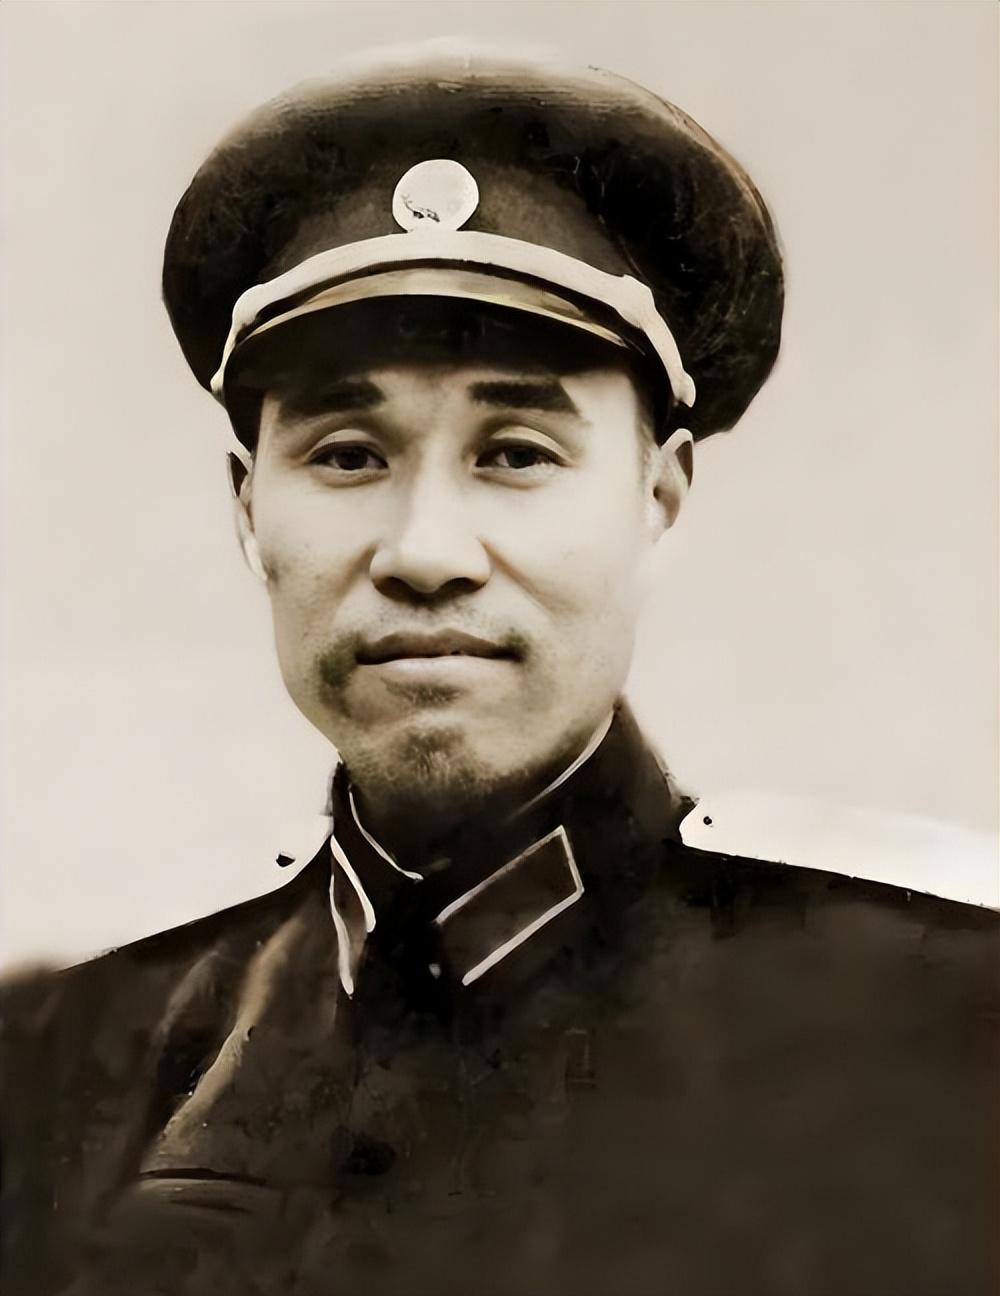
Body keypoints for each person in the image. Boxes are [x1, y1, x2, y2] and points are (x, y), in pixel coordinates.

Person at [1, 41, 996, 1296]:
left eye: (517, 452)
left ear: (657, 495)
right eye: (348, 455)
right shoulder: (72, 1061)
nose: (424, 552)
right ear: (248, 507)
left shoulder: (943, 1017)